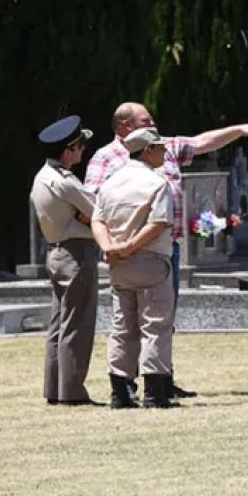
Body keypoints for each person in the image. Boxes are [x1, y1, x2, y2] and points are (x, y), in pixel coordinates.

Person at [85, 102, 248, 398]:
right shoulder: (106, 158)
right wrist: (119, 245)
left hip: (158, 247)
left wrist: (238, 130)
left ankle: (156, 378)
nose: (155, 126)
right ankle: (142, 386)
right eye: (146, 121)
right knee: (138, 320)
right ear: (124, 126)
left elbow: (199, 143)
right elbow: (93, 206)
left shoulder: (163, 147)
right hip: (132, 248)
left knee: (159, 317)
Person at [91, 127, 178, 409]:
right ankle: (155, 391)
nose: (164, 151)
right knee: (155, 325)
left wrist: (109, 248)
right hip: (149, 258)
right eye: (160, 147)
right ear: (148, 150)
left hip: (117, 263)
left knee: (122, 326)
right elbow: (158, 224)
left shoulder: (111, 182)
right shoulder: (156, 183)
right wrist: (129, 247)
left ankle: (120, 391)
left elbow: (98, 220)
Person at [30, 115, 99, 406]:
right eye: (80, 146)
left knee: (59, 325)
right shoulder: (66, 182)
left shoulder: (42, 177)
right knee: (78, 324)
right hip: (75, 253)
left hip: (56, 251)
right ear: (68, 150)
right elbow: (98, 210)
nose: (83, 151)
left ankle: (55, 389)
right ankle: (71, 391)